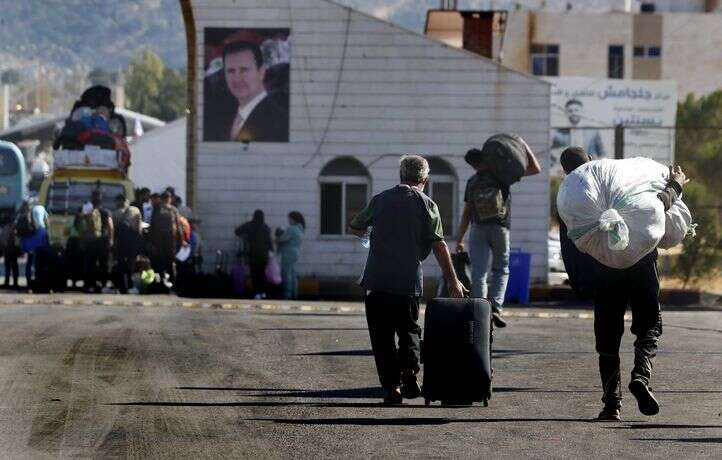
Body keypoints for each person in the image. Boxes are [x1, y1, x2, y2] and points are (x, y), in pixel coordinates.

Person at [558, 147, 689, 421]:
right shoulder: (618, 184)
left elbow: (570, 247)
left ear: (565, 172)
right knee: (649, 325)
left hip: (603, 273)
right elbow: (656, 205)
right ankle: (641, 376)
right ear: (592, 162)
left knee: (607, 337)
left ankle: (611, 404)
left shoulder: (572, 202)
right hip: (642, 266)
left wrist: (581, 285)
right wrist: (676, 185)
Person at [349, 155, 467, 405]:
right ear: (425, 179)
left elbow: (356, 224)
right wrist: (453, 281)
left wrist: (371, 235)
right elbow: (439, 245)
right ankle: (409, 372)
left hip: (376, 281)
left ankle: (392, 390)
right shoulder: (428, 204)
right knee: (409, 330)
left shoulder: (379, 200)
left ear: (400, 176)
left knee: (381, 338)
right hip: (408, 282)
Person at [456, 140, 541, 328]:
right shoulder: (501, 176)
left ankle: (479, 311)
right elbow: (536, 169)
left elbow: (467, 213)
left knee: (479, 272)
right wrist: (523, 145)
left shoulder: (472, 182)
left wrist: (460, 238)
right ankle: (495, 308)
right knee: (501, 268)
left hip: (477, 229)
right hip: (500, 227)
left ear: (472, 165)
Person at [215, 40, 289, 143]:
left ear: (261, 72)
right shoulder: (224, 115)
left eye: (244, 70)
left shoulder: (278, 122)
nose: (236, 79)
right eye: (231, 71)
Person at [80, 191, 113, 293]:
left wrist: (82, 240)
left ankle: (89, 285)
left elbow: (82, 227)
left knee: (90, 264)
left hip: (90, 242)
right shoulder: (106, 212)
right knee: (103, 264)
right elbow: (110, 226)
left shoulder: (87, 212)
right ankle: (102, 285)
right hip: (102, 242)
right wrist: (111, 240)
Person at [235, 209, 273, 299]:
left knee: (254, 274)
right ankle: (263, 292)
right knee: (262, 273)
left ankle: (256, 293)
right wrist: (271, 250)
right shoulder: (265, 227)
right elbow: (269, 241)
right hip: (264, 254)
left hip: (253, 253)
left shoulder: (249, 225)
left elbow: (237, 232)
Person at [149, 191, 184, 285]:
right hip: (170, 239)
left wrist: (151, 241)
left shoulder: (157, 209)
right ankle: (171, 283)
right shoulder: (173, 210)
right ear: (170, 199)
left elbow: (152, 226)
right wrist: (182, 241)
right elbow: (178, 226)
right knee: (170, 261)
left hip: (160, 240)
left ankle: (160, 283)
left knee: (160, 261)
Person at [112, 194, 143, 294]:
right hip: (132, 242)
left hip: (120, 242)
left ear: (119, 201)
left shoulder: (115, 213)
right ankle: (130, 284)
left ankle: (121, 286)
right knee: (131, 263)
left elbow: (113, 229)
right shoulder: (136, 210)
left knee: (120, 263)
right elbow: (139, 227)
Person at [275, 211, 305, 300]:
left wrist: (277, 238)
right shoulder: (300, 229)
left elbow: (283, 239)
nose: (288, 220)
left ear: (293, 219)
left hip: (288, 253)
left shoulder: (292, 229)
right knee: (292, 274)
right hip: (296, 252)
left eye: (289, 218)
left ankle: (287, 295)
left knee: (286, 274)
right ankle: (294, 294)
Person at [1, 222, 20, 288]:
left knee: (8, 267)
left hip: (8, 251)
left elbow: (3, 241)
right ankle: (15, 283)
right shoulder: (15, 230)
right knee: (13, 267)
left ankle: (8, 282)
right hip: (12, 251)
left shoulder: (5, 229)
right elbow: (17, 242)